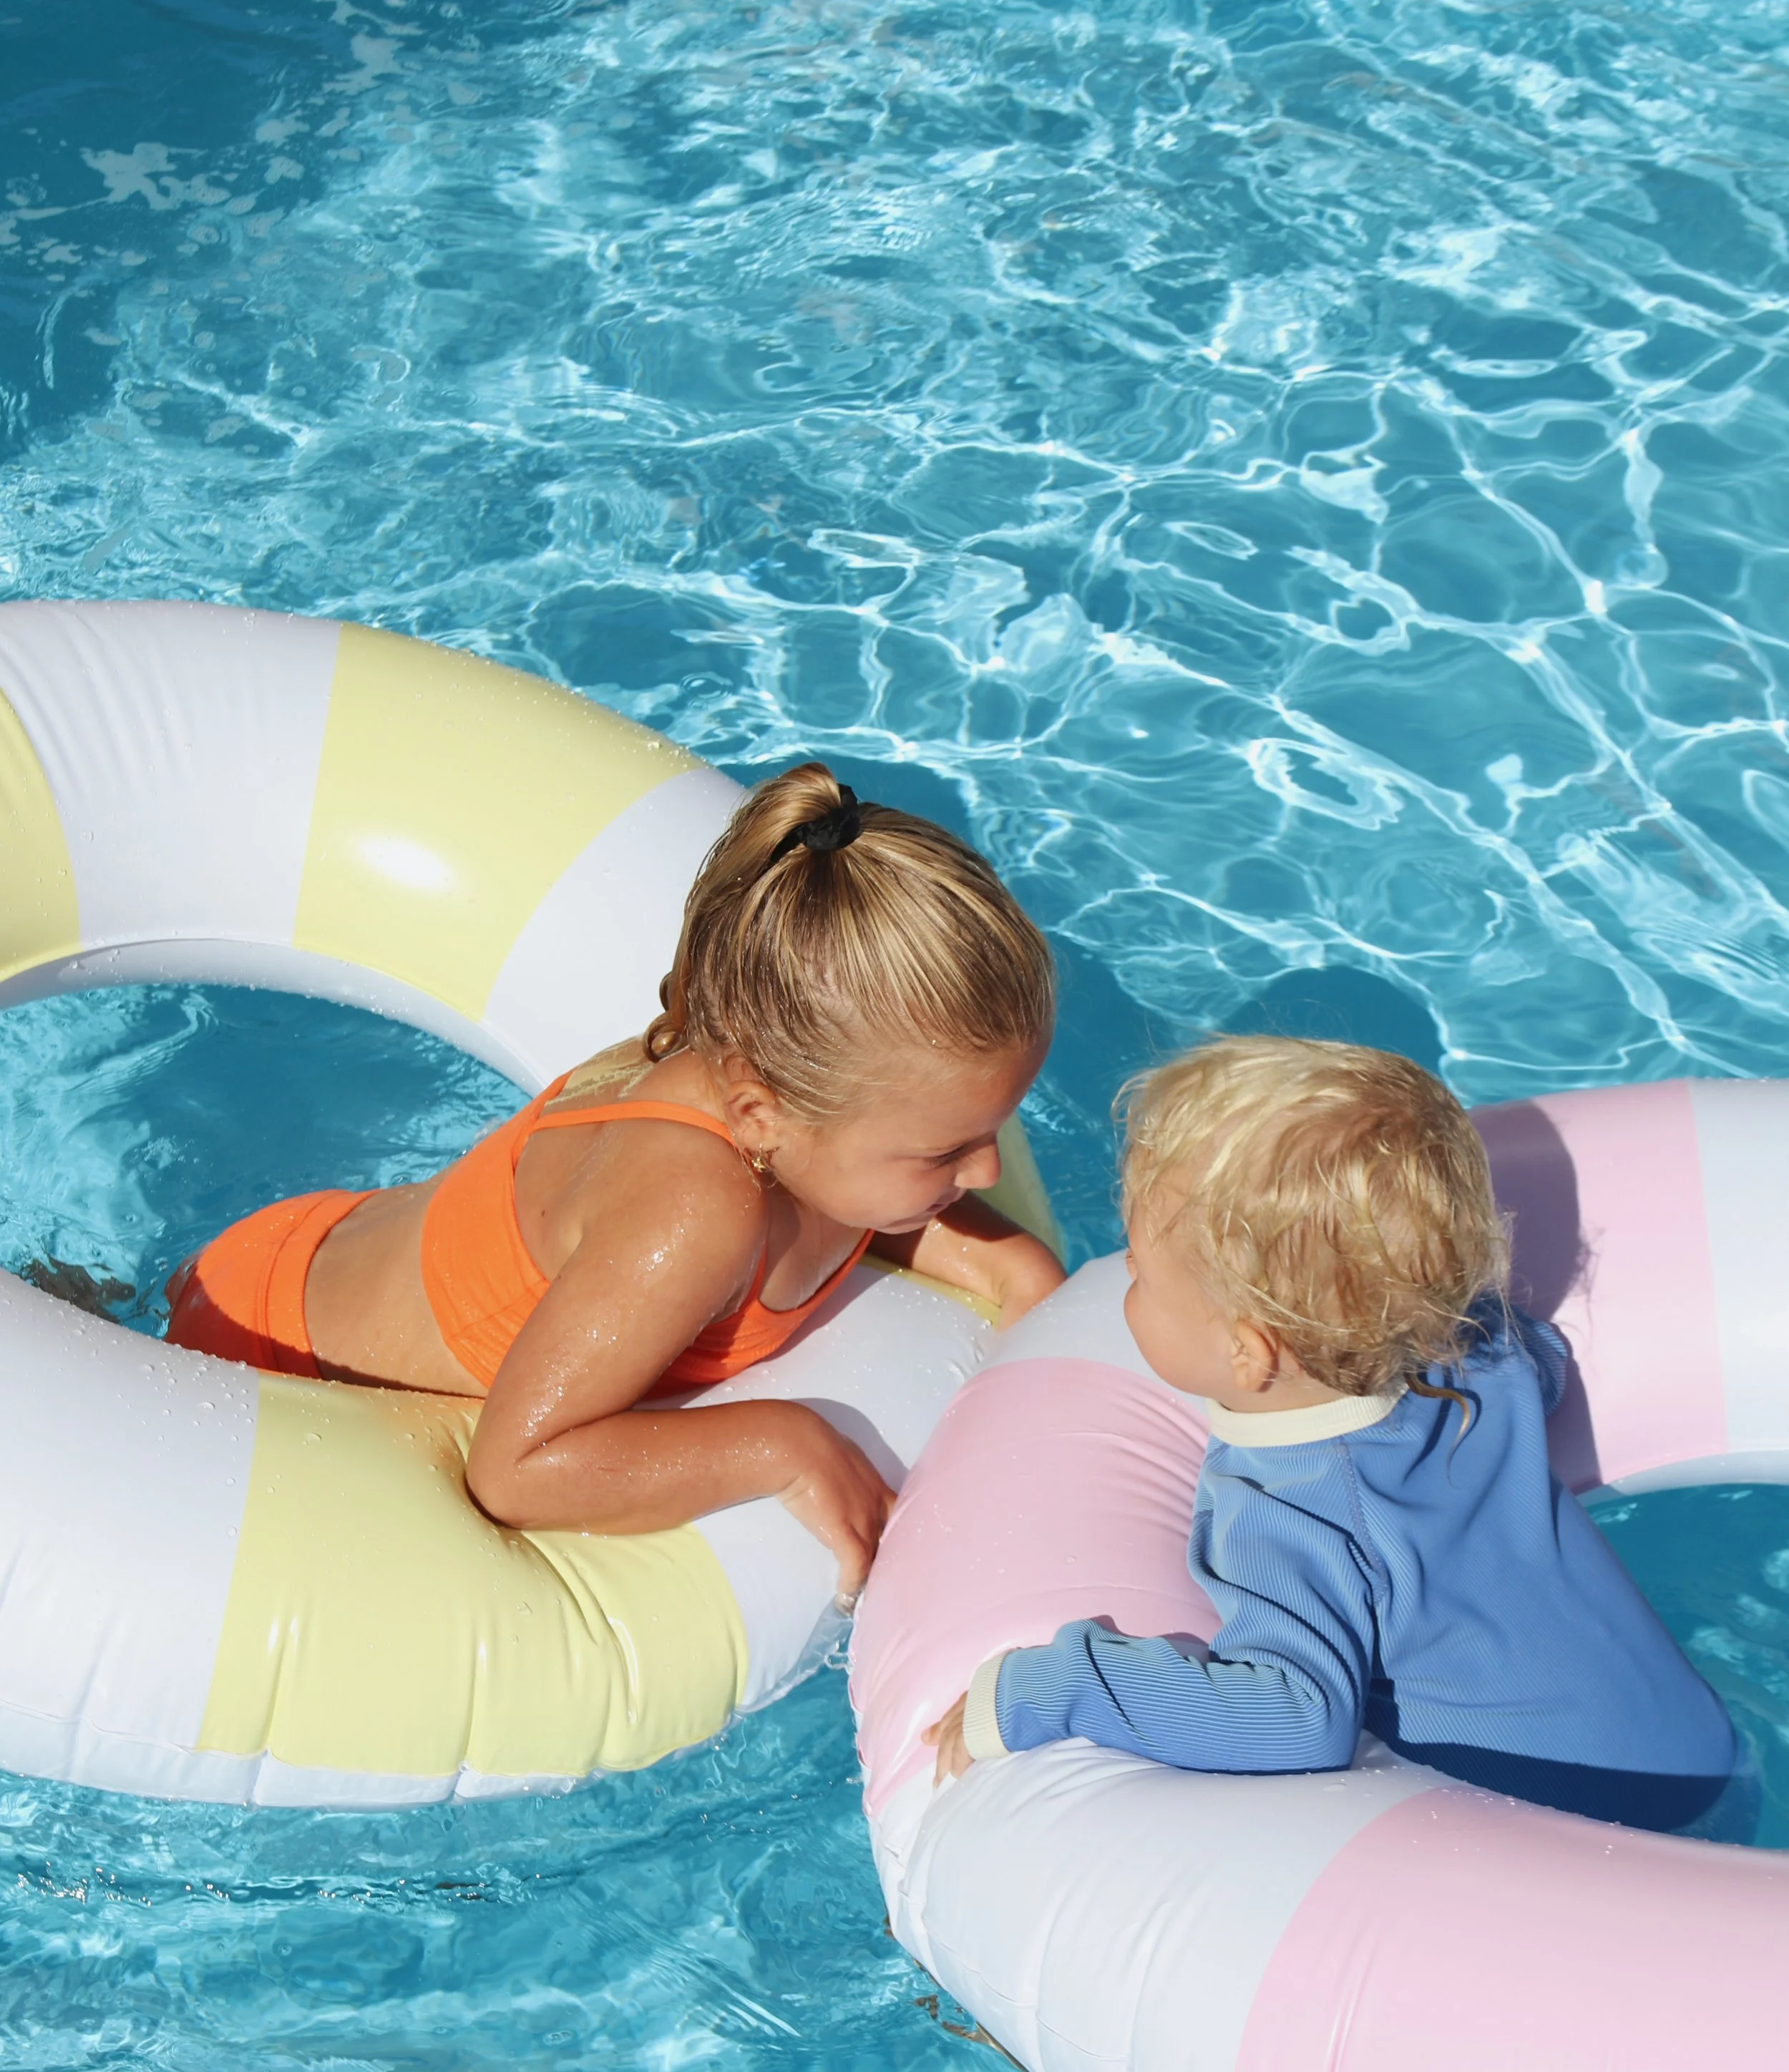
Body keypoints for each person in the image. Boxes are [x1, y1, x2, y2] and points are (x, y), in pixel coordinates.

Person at [166, 765, 1063, 1601]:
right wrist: (787, 1444)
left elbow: (863, 1194)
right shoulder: (690, 1216)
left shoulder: (795, 1113)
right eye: (943, 1155)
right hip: (266, 1345)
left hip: (330, 1246)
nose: (987, 1172)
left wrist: (1015, 1271)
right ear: (762, 1117)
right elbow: (516, 1468)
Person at [925, 1035, 1735, 1831]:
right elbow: (1549, 1364)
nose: (1124, 1289)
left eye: (1137, 1273)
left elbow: (1293, 1715)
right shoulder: (1477, 1350)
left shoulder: (1288, 1512)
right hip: (1704, 1754)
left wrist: (1053, 1685)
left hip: (1584, 1821)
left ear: (1249, 1352)